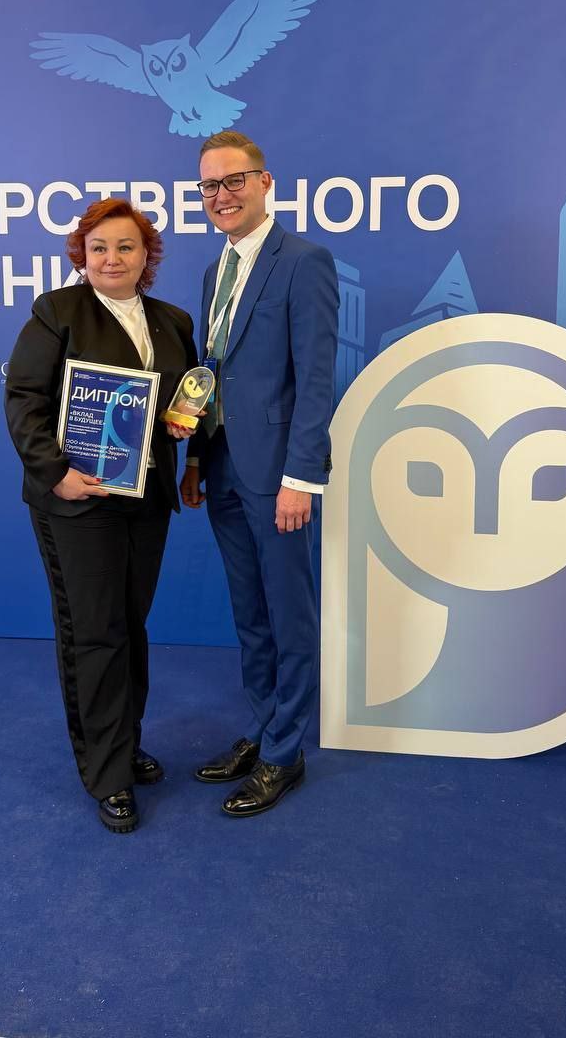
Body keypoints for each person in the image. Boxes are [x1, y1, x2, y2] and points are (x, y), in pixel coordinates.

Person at [5, 198, 196, 835]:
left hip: (147, 499)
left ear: (147, 256)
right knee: (94, 631)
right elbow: (24, 400)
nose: (112, 259)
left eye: (125, 247)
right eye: (99, 248)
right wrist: (55, 472)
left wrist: (183, 430)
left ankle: (125, 742)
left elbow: (182, 405)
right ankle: (107, 774)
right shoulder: (57, 312)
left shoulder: (172, 321)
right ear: (82, 256)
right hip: (77, 500)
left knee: (130, 626)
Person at [181, 131, 339, 817]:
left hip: (277, 477)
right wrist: (195, 458)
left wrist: (302, 477)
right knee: (250, 614)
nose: (221, 196)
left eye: (233, 181)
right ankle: (265, 725)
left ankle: (285, 753)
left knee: (288, 614)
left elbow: (316, 379)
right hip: (221, 467)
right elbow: (208, 375)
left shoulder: (304, 262)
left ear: (264, 182)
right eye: (209, 186)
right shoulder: (214, 272)